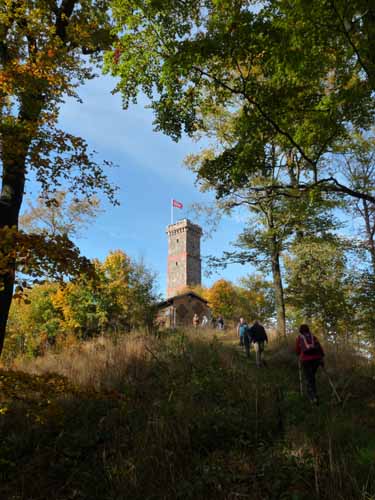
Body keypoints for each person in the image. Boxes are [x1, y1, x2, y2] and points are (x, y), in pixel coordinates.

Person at [296, 324, 325, 405]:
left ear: (300, 330)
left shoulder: (300, 338)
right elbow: (319, 347)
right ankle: (313, 395)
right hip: (316, 360)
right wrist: (322, 358)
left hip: (306, 360)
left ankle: (313, 397)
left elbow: (297, 350)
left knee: (309, 378)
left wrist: (299, 354)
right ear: (308, 329)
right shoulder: (313, 337)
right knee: (311, 377)